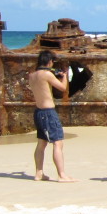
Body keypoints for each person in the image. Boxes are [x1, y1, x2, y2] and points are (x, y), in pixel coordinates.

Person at [28, 50, 76, 182]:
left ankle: (39, 173)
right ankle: (62, 175)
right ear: (49, 61)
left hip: (38, 112)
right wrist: (65, 76)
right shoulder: (47, 74)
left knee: (41, 143)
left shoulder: (32, 76)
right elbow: (62, 88)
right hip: (48, 112)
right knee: (58, 143)